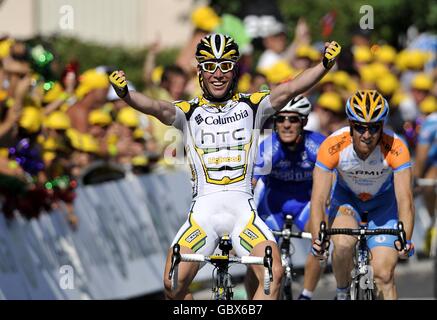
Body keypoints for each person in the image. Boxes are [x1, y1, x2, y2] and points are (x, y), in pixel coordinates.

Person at [109, 33, 341, 300]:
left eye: (225, 66)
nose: (217, 74)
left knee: (273, 273)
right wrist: (126, 94)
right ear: (200, 71)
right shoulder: (188, 111)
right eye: (210, 66)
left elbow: (291, 88)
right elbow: (155, 107)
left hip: (243, 211)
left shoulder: (253, 106)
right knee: (172, 283)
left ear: (235, 70)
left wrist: (324, 64)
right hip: (204, 214)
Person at [310, 90, 415, 300]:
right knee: (342, 244)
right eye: (359, 127)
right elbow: (319, 199)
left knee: (384, 275)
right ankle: (341, 292)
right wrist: (317, 239)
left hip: (383, 207)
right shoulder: (333, 145)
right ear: (350, 124)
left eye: (374, 128)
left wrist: (406, 240)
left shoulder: (396, 147)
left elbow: (405, 200)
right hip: (347, 203)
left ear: (382, 126)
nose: (366, 135)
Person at [247, 95, 326, 300]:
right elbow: (250, 186)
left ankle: (306, 295)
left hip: (306, 204)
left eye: (293, 119)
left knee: (321, 241)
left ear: (304, 122)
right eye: (280, 119)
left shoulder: (317, 145)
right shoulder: (268, 148)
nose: (286, 125)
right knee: (255, 257)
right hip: (273, 206)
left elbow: (333, 182)